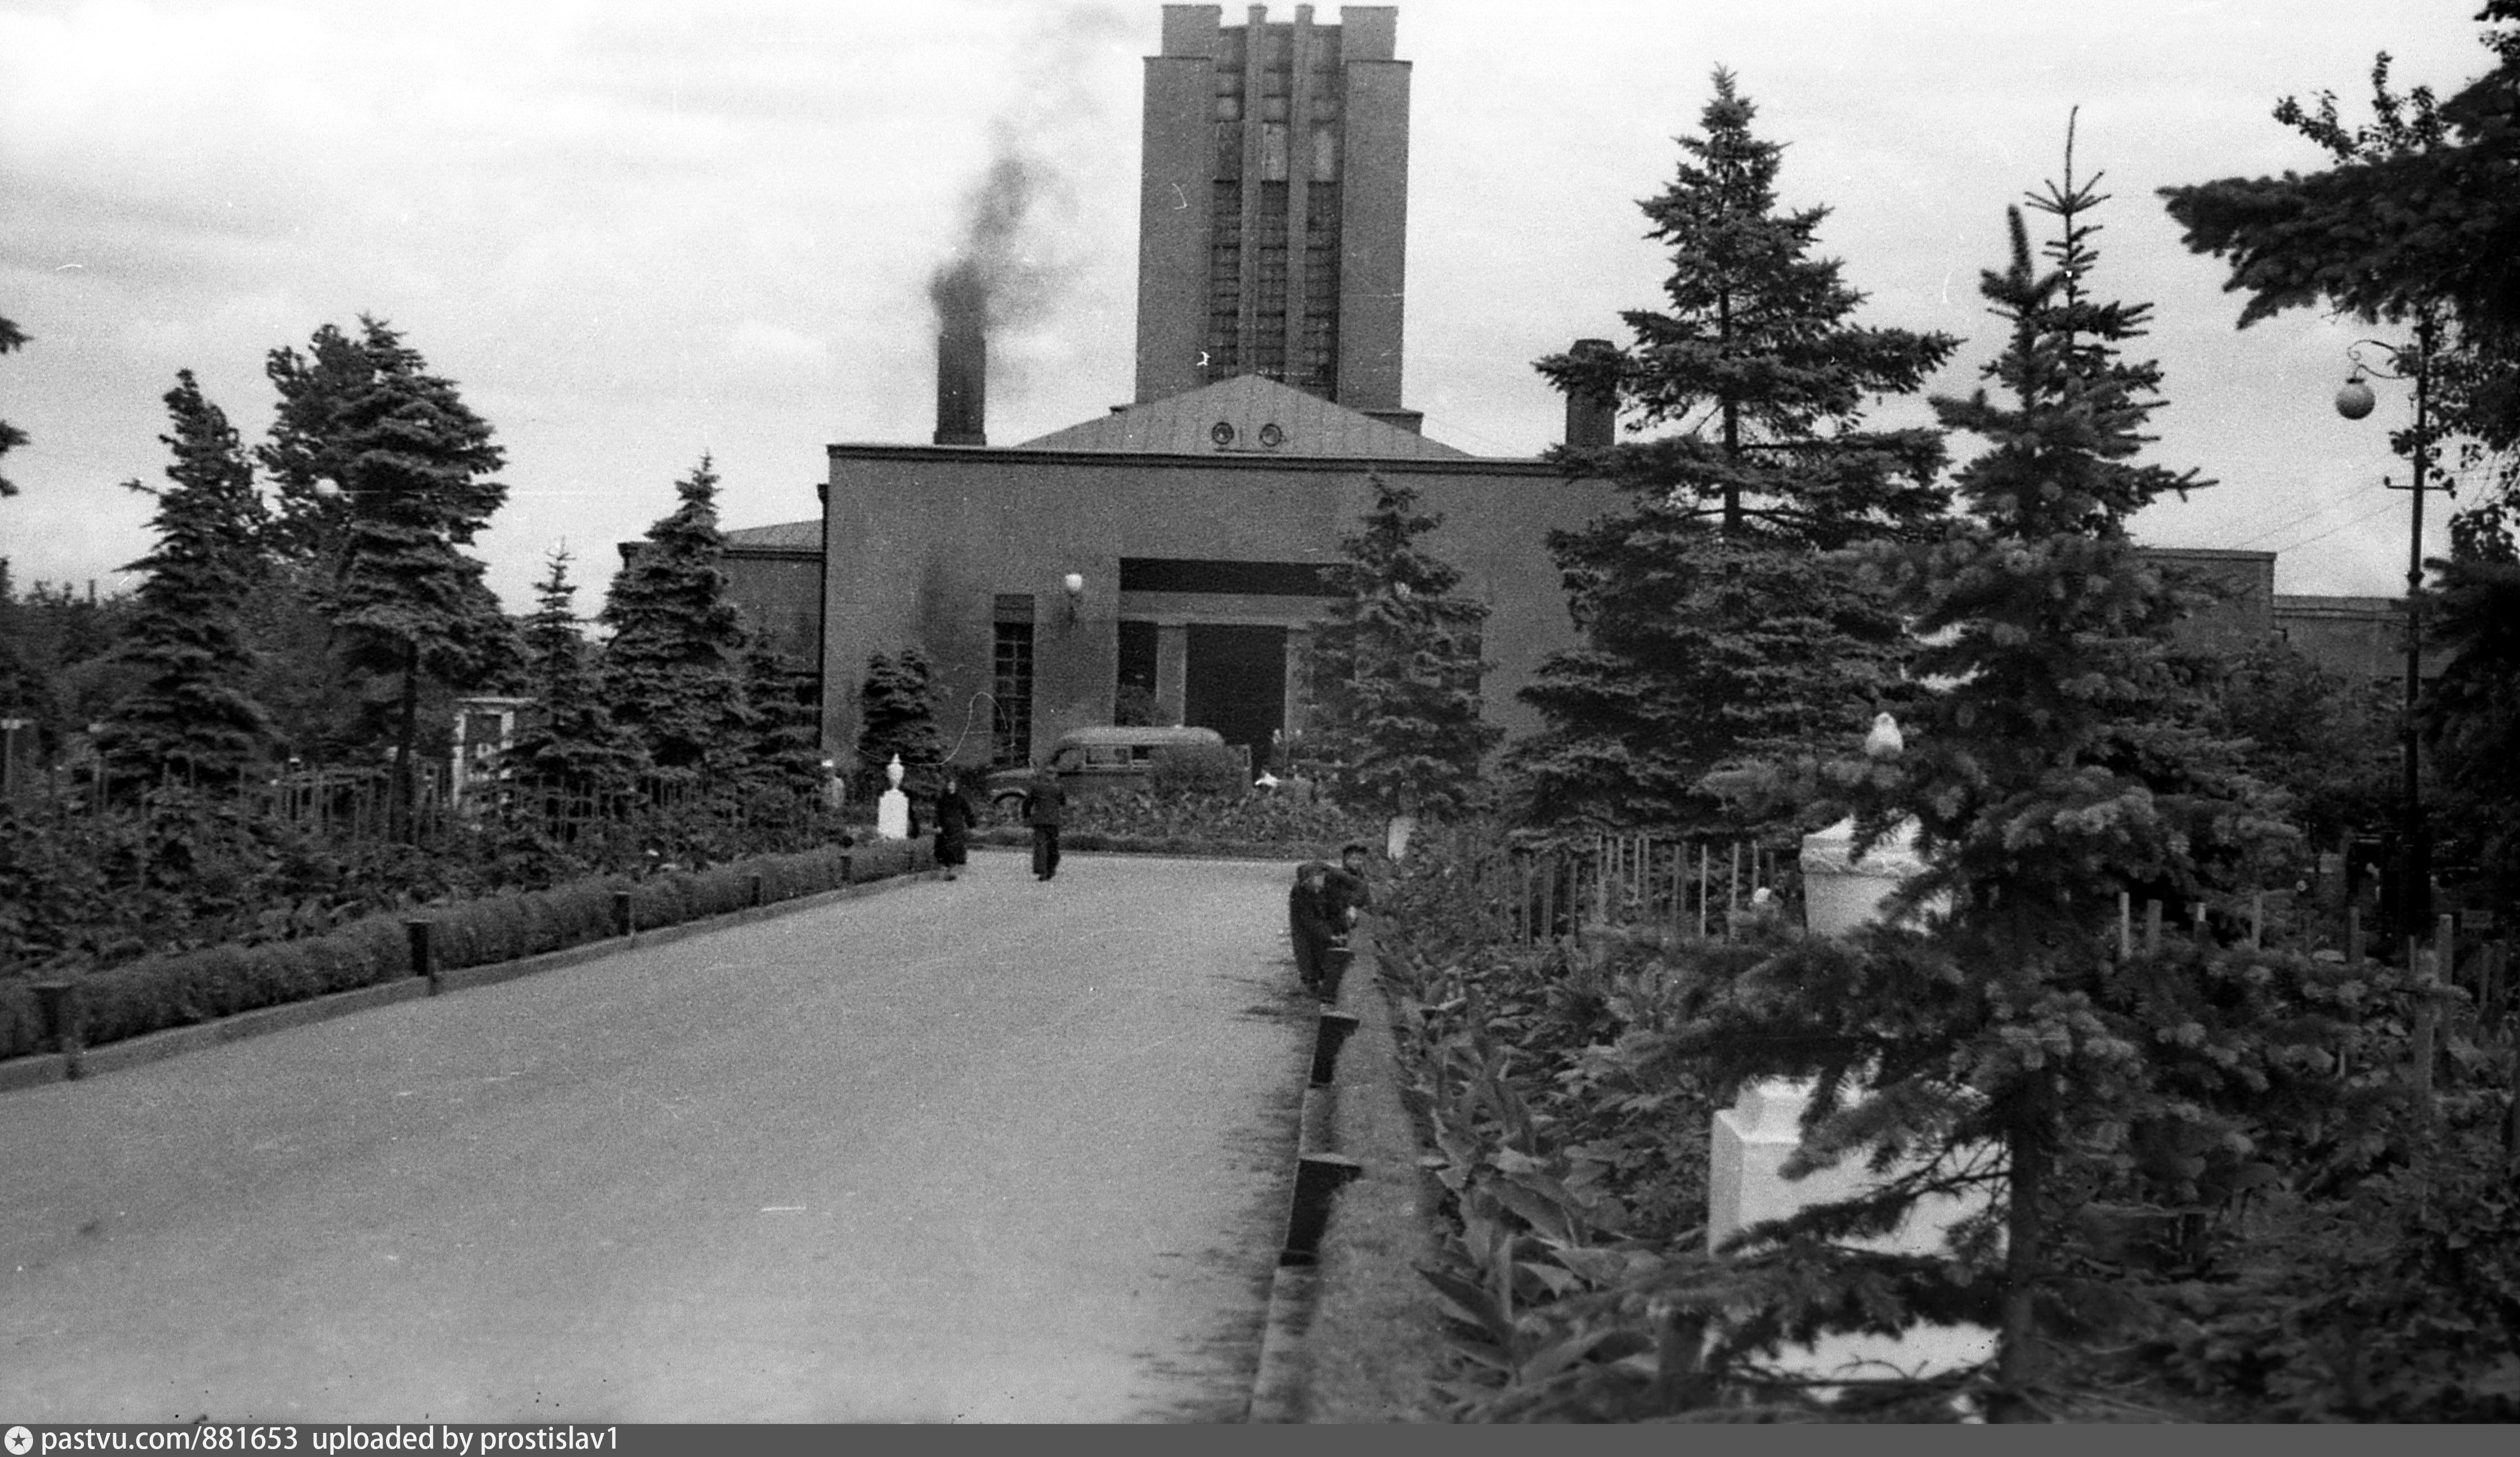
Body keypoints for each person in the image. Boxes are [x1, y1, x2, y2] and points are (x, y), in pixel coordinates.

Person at [1289, 861, 1341, 994]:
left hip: (1326, 914)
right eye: (1310, 886)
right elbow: (1310, 920)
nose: (1316, 889)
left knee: (1326, 947)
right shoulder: (1300, 892)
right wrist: (1330, 935)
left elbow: (1336, 909)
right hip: (1304, 922)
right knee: (1305, 948)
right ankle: (1311, 982)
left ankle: (1324, 979)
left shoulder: (1333, 882)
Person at [931, 768, 978, 881]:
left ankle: (952, 871)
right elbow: (937, 812)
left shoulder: (960, 798)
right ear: (947, 786)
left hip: (957, 827)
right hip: (945, 827)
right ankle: (946, 869)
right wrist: (937, 825)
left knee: (955, 849)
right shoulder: (942, 799)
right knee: (944, 849)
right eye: (949, 785)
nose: (951, 787)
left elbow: (968, 811)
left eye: (953, 785)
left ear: (955, 786)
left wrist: (971, 824)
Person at [1325, 840, 1375, 938]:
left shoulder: (1364, 878)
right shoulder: (1339, 878)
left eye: (1360, 859)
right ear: (1346, 860)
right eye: (1353, 859)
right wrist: (1352, 906)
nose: (1357, 863)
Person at [1025, 763, 1066, 881]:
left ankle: (1042, 870)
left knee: (1040, 847)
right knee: (1053, 846)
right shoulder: (1058, 788)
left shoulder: (1036, 787)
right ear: (1055, 776)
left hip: (1040, 821)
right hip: (1053, 821)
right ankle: (1051, 868)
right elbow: (1063, 802)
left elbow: (1027, 803)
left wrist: (1027, 816)